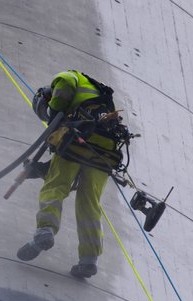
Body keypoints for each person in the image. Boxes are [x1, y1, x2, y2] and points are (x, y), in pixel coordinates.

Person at [15, 70, 126, 279]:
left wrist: (56, 111)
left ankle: (45, 231)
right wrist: (39, 169)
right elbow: (68, 172)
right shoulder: (97, 96)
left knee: (55, 188)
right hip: (105, 152)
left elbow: (61, 178)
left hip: (76, 142)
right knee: (89, 202)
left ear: (46, 98)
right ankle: (89, 260)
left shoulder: (67, 77)